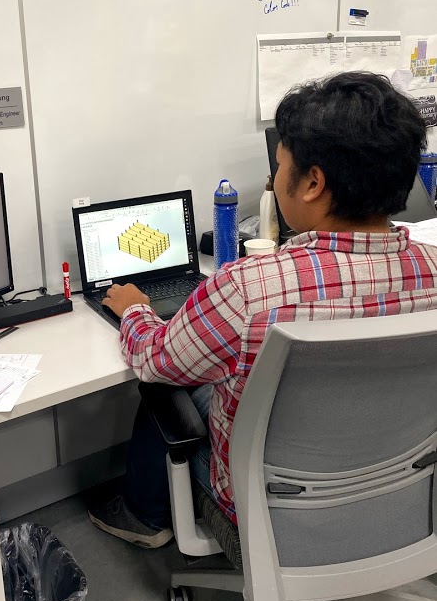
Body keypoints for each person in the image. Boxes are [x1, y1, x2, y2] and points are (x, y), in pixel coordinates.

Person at [87, 71, 437, 548]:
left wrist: (134, 311)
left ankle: (144, 516)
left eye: (278, 167)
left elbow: (155, 360)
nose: (273, 179)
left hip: (268, 507)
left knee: (173, 379)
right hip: (401, 489)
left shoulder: (250, 289)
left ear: (312, 183)